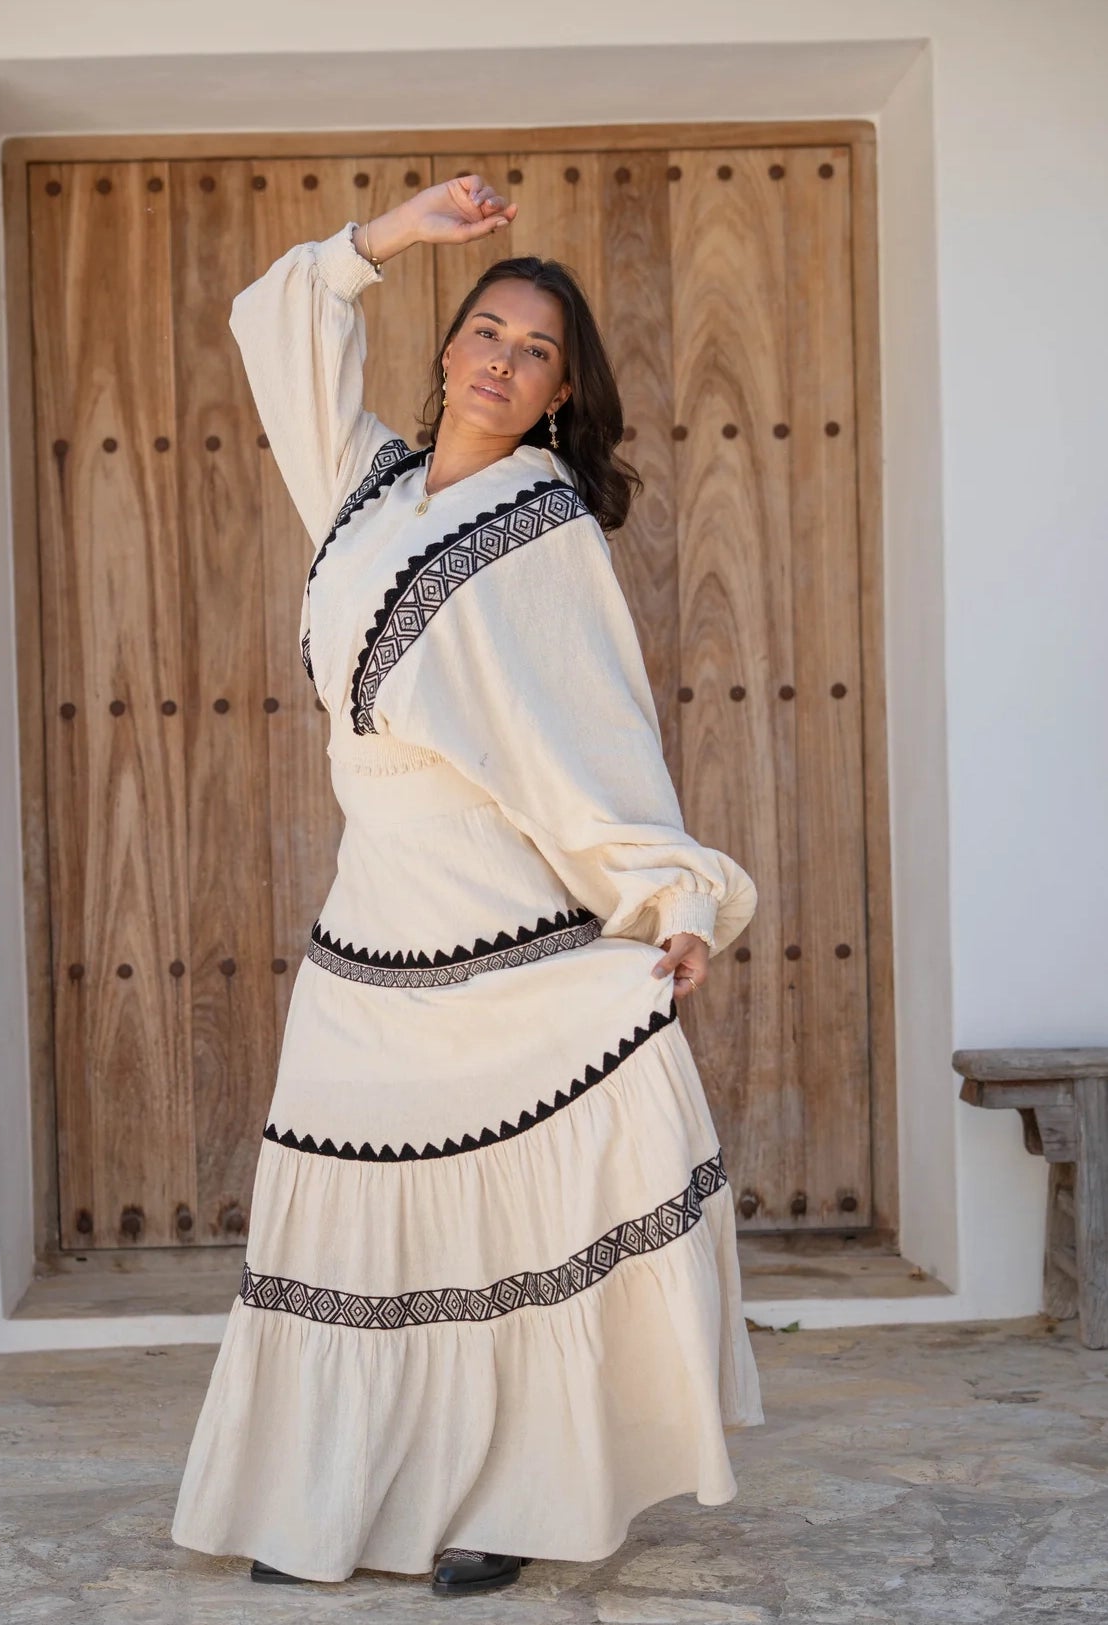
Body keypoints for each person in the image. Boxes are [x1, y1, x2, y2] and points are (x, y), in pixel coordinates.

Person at [171, 171, 764, 1598]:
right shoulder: (365, 484)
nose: (502, 359)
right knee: (350, 1222)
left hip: (496, 922)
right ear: (447, 350)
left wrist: (675, 900)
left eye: (536, 351)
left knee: (514, 1219)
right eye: (486, 331)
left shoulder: (545, 528)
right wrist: (393, 234)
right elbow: (277, 320)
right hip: (370, 920)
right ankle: (326, 1500)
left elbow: (600, 731)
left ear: (561, 395)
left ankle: (519, 1497)